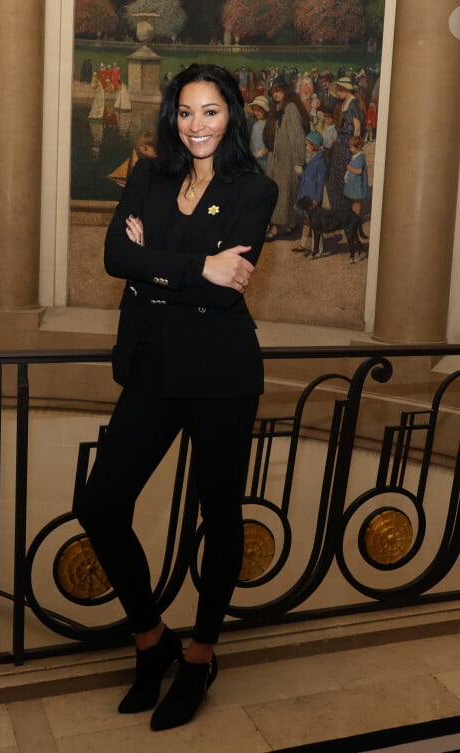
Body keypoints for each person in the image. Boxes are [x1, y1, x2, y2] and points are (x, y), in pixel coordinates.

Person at [74, 63, 277, 732]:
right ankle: (150, 636)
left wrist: (155, 263)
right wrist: (196, 265)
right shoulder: (149, 174)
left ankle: (199, 653)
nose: (196, 125)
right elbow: (114, 258)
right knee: (100, 503)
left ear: (233, 115)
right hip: (154, 364)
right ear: (173, 114)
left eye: (210, 112)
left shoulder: (255, 188)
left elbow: (227, 287)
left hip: (221, 371)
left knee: (219, 517)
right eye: (186, 111)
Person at [263, 76, 309, 240]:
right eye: (273, 91)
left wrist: (298, 161)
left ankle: (280, 226)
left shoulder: (290, 108)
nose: (275, 94)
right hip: (275, 157)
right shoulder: (276, 107)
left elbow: (297, 136)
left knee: (284, 192)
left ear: (285, 90)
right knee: (276, 191)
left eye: (278, 90)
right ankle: (285, 224)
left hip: (287, 158)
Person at [325, 76, 362, 211]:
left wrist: (355, 149)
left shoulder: (353, 104)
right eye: (338, 90)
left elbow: (357, 128)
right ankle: (338, 208)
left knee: (343, 177)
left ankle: (344, 210)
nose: (338, 92)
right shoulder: (343, 104)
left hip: (348, 144)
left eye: (341, 90)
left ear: (347, 89)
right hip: (340, 144)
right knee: (335, 177)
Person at [293, 131, 326, 253]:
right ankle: (303, 245)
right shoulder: (313, 159)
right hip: (307, 196)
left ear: (314, 145)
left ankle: (317, 248)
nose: (306, 147)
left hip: (312, 199)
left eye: (307, 144)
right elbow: (307, 177)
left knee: (315, 224)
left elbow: (320, 183)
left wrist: (316, 200)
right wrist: (300, 172)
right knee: (307, 221)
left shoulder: (320, 162)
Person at [343, 135, 368, 217]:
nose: (350, 149)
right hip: (355, 183)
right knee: (354, 201)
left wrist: (350, 168)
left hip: (358, 184)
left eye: (351, 147)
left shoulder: (360, 157)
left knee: (357, 202)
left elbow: (359, 171)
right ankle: (354, 216)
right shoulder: (356, 155)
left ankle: (356, 217)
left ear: (358, 147)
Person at [247, 94, 270, 170]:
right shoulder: (255, 125)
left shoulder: (269, 124)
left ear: (265, 110)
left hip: (267, 161)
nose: (256, 113)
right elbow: (252, 145)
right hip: (255, 160)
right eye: (255, 110)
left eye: (259, 110)